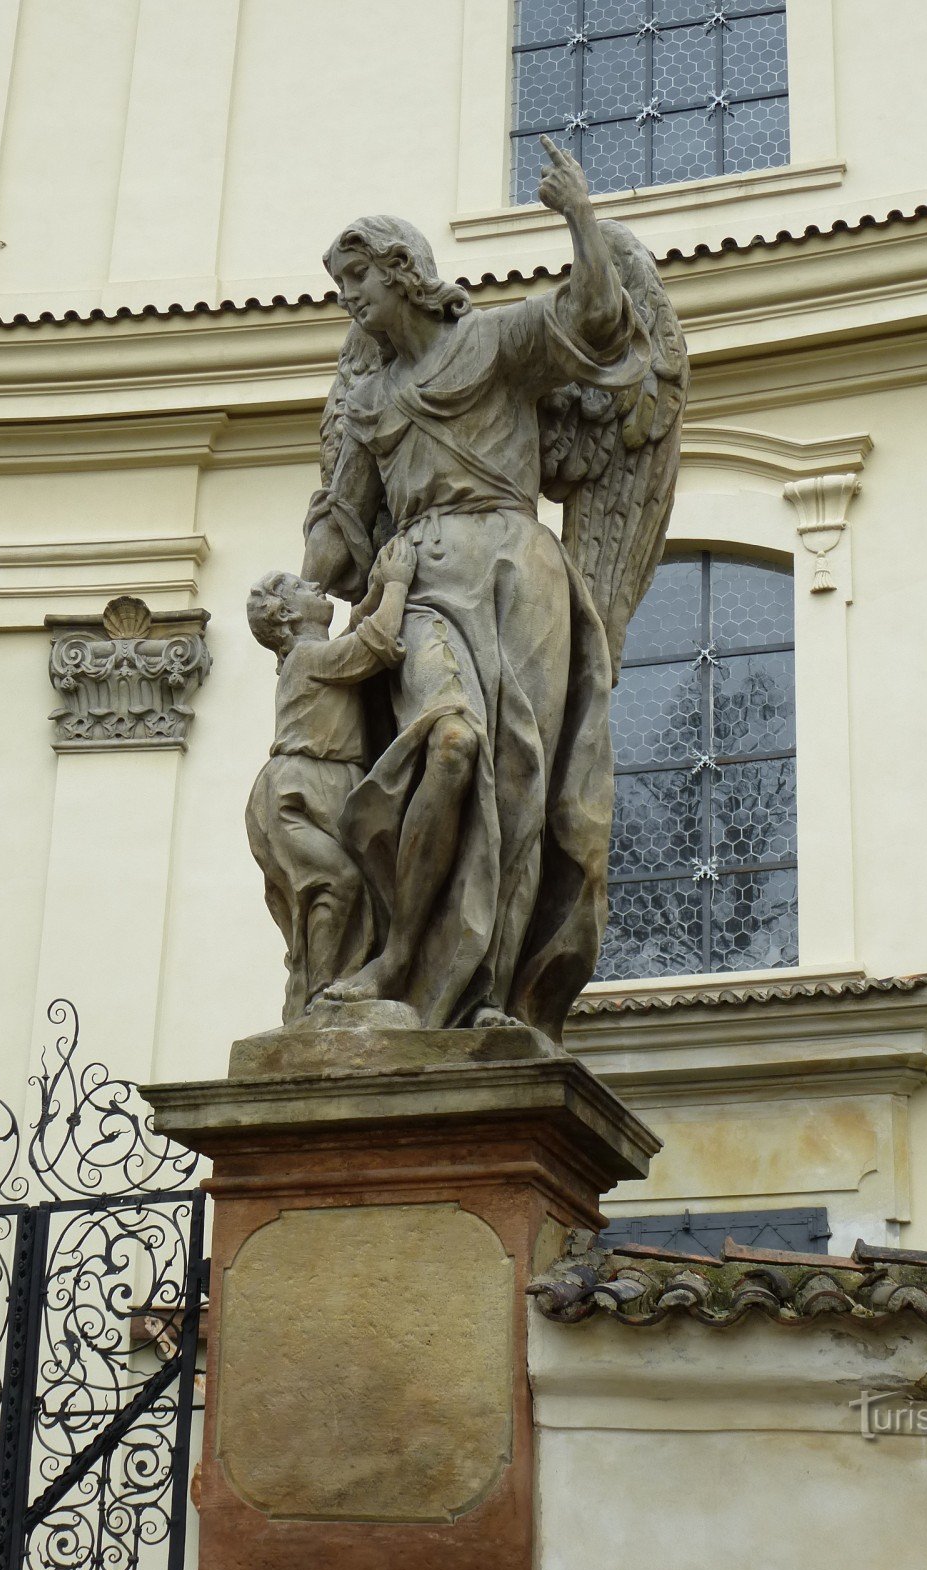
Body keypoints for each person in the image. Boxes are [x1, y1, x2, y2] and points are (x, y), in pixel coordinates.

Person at [304, 138, 651, 1040]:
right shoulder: (370, 402)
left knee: (520, 777)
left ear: (402, 273)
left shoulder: (493, 343)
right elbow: (339, 546)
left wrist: (579, 217)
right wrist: (318, 553)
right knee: (450, 742)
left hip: (517, 570)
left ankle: (495, 991)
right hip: (418, 580)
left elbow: (598, 322)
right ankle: (399, 958)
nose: (349, 301)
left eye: (358, 281)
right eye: (344, 286)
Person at [245, 539, 415, 1020]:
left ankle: (328, 984)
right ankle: (323, 996)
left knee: (352, 886)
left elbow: (357, 629)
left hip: (328, 788)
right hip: (294, 794)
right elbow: (371, 648)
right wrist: (397, 583)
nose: (317, 584)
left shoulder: (317, 651)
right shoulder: (305, 657)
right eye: (301, 587)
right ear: (286, 618)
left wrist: (376, 590)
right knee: (336, 882)